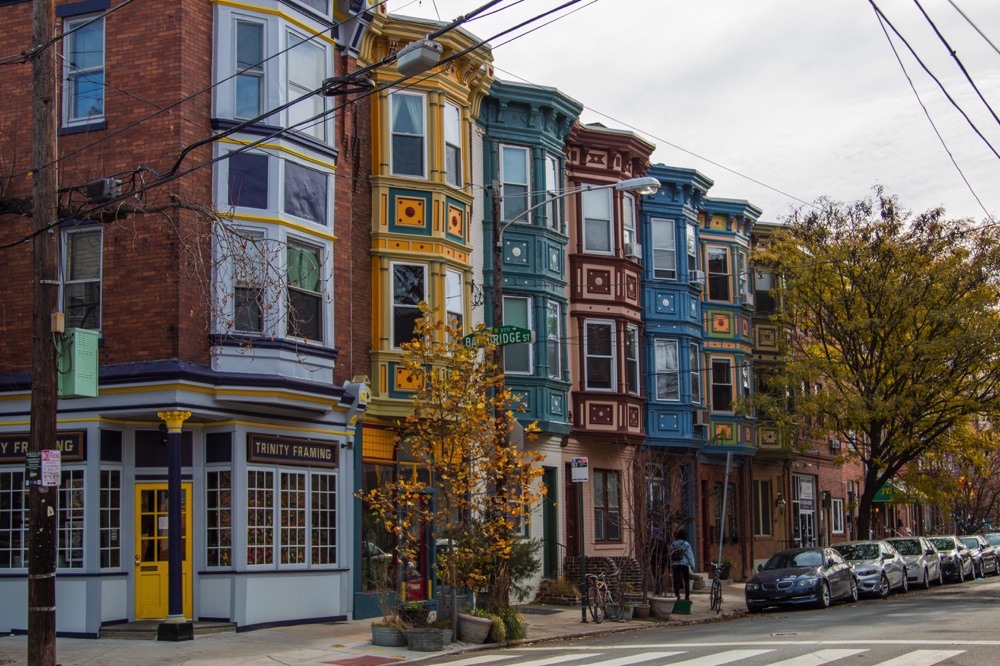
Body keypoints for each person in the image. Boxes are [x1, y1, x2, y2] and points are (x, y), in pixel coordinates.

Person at [670, 529, 695, 601]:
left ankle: (677, 594)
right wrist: (693, 566)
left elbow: (671, 554)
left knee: (676, 579)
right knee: (686, 580)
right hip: (684, 564)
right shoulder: (686, 544)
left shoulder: (673, 544)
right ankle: (687, 596)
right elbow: (690, 555)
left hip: (675, 564)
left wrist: (671, 564)